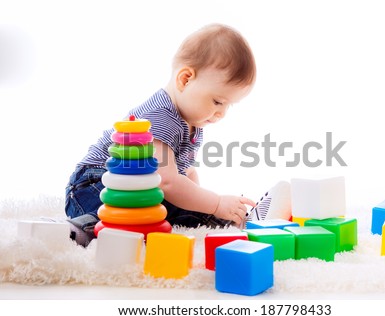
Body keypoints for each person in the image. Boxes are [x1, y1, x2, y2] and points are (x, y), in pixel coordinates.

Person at [65, 23, 257, 246]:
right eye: (217, 101)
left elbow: (184, 175)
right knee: (131, 216)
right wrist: (215, 204)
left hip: (137, 186)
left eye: (229, 106)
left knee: (173, 211)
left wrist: (201, 202)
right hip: (97, 183)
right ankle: (85, 226)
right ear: (185, 79)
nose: (221, 113)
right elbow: (168, 182)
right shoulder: (160, 117)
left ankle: (215, 222)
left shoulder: (192, 121)